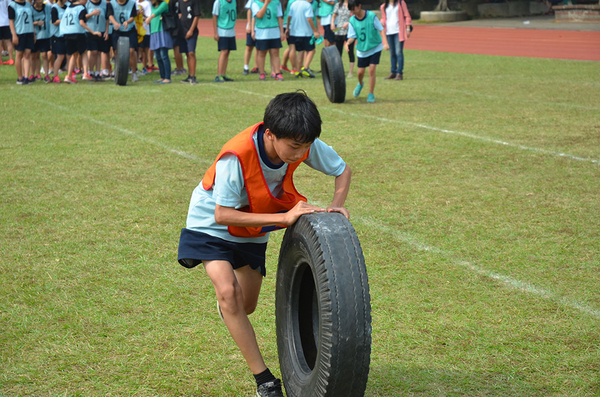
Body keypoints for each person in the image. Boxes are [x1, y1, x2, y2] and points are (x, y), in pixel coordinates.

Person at [177, 91, 351, 397]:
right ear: (270, 134)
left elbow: (342, 170)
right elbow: (221, 213)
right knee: (229, 293)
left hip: (253, 226)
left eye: (306, 147)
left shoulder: (300, 140)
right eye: (295, 147)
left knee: (247, 305)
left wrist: (337, 205)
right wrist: (284, 218)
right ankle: (265, 381)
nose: (301, 154)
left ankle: (229, 308)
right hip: (211, 225)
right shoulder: (238, 155)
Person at [346, 0, 387, 103]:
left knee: (372, 70)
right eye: (351, 10)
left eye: (353, 9)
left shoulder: (371, 16)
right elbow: (352, 36)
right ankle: (360, 83)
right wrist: (347, 43)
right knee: (360, 73)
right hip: (362, 50)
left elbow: (381, 29)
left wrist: (385, 43)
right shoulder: (352, 21)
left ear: (359, 6)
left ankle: (371, 93)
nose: (352, 12)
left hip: (375, 47)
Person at [60, 0, 101, 83]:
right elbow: (81, 22)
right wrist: (93, 32)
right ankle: (86, 73)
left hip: (67, 33)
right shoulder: (81, 8)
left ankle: (69, 76)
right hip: (77, 32)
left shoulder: (68, 8)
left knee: (74, 54)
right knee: (84, 53)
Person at [251, 0, 284, 81]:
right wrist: (266, 4)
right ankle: (262, 73)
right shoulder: (255, 3)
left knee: (275, 53)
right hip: (262, 32)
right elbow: (259, 15)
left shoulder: (276, 3)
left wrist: (281, 31)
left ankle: (277, 73)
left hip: (274, 31)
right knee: (262, 53)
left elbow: (279, 17)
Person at [107, 0, 139, 82]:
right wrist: (115, 23)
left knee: (132, 51)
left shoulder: (132, 3)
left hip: (130, 29)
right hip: (117, 30)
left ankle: (134, 72)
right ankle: (119, 70)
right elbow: (110, 15)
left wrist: (127, 22)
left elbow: (132, 16)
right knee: (117, 51)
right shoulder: (112, 3)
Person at [286, 0, 318, 78]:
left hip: (294, 32)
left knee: (300, 51)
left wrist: (287, 28)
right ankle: (305, 68)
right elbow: (309, 19)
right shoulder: (308, 5)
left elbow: (289, 17)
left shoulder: (294, 4)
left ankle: (298, 71)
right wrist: (315, 30)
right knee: (312, 50)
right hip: (305, 32)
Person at [380, 0, 410, 81]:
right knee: (392, 53)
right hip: (389, 32)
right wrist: (382, 21)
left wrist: (408, 28)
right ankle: (393, 72)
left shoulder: (401, 3)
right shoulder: (383, 6)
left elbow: (407, 15)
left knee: (398, 52)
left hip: (398, 31)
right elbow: (383, 17)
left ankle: (399, 73)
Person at [8, 0, 34, 84]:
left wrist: (33, 33)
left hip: (29, 32)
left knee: (27, 54)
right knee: (19, 55)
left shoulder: (28, 4)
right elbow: (11, 21)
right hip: (19, 32)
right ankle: (20, 77)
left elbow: (31, 19)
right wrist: (14, 34)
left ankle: (26, 77)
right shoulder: (12, 5)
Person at [145, 0, 171, 83]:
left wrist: (150, 17)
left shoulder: (164, 4)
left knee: (164, 55)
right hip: (154, 32)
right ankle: (162, 76)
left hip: (162, 31)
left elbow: (157, 12)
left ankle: (167, 77)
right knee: (158, 56)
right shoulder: (152, 7)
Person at [212, 0, 236, 83]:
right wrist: (215, 32)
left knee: (228, 52)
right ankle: (218, 75)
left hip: (231, 30)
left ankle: (223, 74)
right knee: (224, 51)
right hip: (222, 30)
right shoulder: (218, 2)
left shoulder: (233, 2)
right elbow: (215, 16)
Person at [86, 0, 109, 82]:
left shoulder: (104, 4)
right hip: (90, 31)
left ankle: (98, 73)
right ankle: (91, 71)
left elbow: (107, 19)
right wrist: (92, 13)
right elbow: (83, 17)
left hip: (101, 31)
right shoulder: (87, 3)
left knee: (99, 52)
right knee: (93, 51)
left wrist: (106, 31)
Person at [178, 0, 200, 84]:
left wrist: (191, 30)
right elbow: (180, 13)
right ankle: (189, 76)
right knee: (187, 53)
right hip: (182, 31)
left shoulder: (194, 1)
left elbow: (196, 16)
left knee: (191, 53)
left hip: (191, 32)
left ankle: (193, 76)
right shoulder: (180, 1)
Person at [31, 0, 53, 82]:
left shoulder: (47, 7)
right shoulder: (31, 9)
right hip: (36, 35)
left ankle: (46, 75)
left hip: (45, 35)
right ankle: (34, 74)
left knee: (44, 55)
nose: (40, 1)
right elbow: (28, 22)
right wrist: (36, 23)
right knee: (34, 56)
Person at [331, 0, 354, 77]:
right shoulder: (338, 5)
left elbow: (354, 16)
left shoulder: (352, 5)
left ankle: (351, 72)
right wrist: (332, 23)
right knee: (338, 51)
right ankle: (338, 70)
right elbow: (334, 15)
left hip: (349, 30)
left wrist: (348, 23)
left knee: (350, 51)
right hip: (339, 30)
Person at [51, 0, 67, 83]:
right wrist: (64, 19)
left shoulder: (66, 7)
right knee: (60, 56)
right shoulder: (54, 8)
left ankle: (69, 75)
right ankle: (55, 75)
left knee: (67, 55)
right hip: (57, 35)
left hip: (65, 34)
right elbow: (54, 22)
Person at [242, 0, 258, 75]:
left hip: (261, 27)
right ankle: (246, 67)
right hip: (252, 26)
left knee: (259, 48)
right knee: (249, 47)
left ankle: (257, 67)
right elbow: (249, 11)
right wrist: (249, 24)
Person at [0, 0, 15, 66]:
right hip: (6, 22)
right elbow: (11, 5)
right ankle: (11, 59)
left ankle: (0, 60)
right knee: (8, 42)